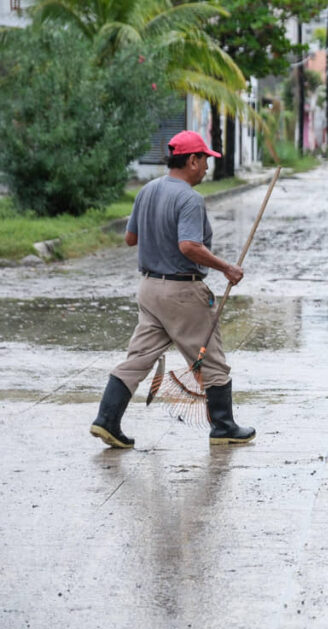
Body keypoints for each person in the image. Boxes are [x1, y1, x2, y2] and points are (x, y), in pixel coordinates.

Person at [89, 130, 256, 449]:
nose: (207, 167)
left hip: (149, 289)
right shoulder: (189, 198)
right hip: (181, 293)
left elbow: (130, 239)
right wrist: (227, 268)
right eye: (205, 160)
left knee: (138, 358)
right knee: (213, 360)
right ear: (191, 160)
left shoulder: (146, 191)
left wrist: (158, 235)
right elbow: (189, 246)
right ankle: (223, 427)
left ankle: (107, 420)